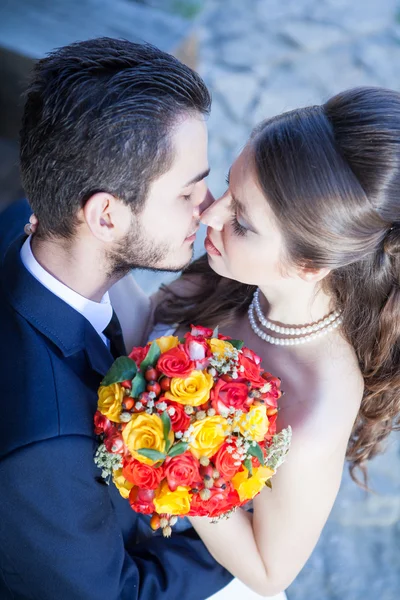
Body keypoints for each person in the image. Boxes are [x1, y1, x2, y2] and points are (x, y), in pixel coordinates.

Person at [111, 86, 400, 596]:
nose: (209, 215)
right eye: (227, 188)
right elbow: (146, 327)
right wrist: (95, 253)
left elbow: (271, 573)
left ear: (309, 265)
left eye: (241, 221)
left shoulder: (318, 404)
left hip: (180, 573)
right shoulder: (228, 272)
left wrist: (189, 460)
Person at [0, 37, 234, 600]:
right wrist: (232, 526)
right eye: (186, 191)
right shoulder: (47, 445)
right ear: (105, 215)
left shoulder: (17, 225)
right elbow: (117, 593)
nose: (208, 205)